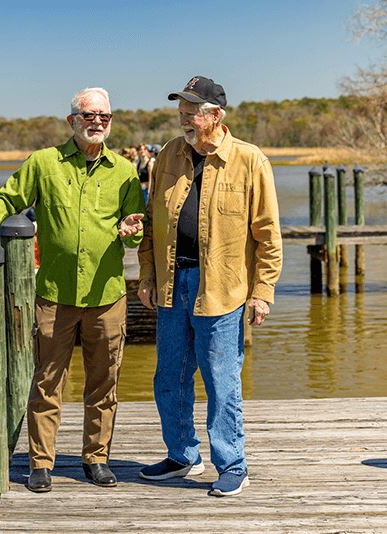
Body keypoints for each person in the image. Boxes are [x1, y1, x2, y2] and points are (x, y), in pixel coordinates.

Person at [0, 87, 145, 492]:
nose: (97, 122)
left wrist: (133, 230)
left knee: (104, 382)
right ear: (72, 121)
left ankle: (96, 459)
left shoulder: (124, 171)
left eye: (104, 116)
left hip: (107, 296)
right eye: (88, 115)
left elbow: (135, 229)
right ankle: (41, 464)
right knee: (47, 381)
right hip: (54, 296)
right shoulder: (44, 163)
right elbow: (6, 197)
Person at [136, 76, 282, 497]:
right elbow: (151, 222)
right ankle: (183, 455)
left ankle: (232, 464)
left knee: (222, 380)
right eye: (181, 111)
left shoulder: (250, 160)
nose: (183, 118)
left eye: (192, 112)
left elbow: (268, 235)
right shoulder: (168, 154)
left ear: (215, 115)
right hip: (171, 283)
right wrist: (147, 275)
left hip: (222, 288)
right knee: (169, 378)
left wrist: (262, 292)